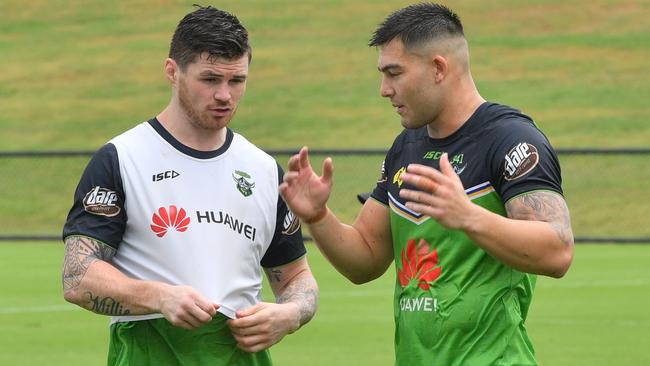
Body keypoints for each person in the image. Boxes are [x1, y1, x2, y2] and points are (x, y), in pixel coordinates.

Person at [280, 3, 573, 365]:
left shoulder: (511, 139)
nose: (384, 89)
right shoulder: (406, 146)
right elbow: (366, 259)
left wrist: (468, 216)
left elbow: (558, 251)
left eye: (394, 73)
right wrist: (319, 217)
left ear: (438, 68)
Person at [62, 5, 318, 365]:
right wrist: (159, 297)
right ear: (172, 71)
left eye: (237, 81)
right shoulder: (122, 158)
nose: (225, 95)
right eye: (210, 79)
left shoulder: (262, 170)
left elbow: (297, 278)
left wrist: (290, 314)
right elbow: (77, 276)